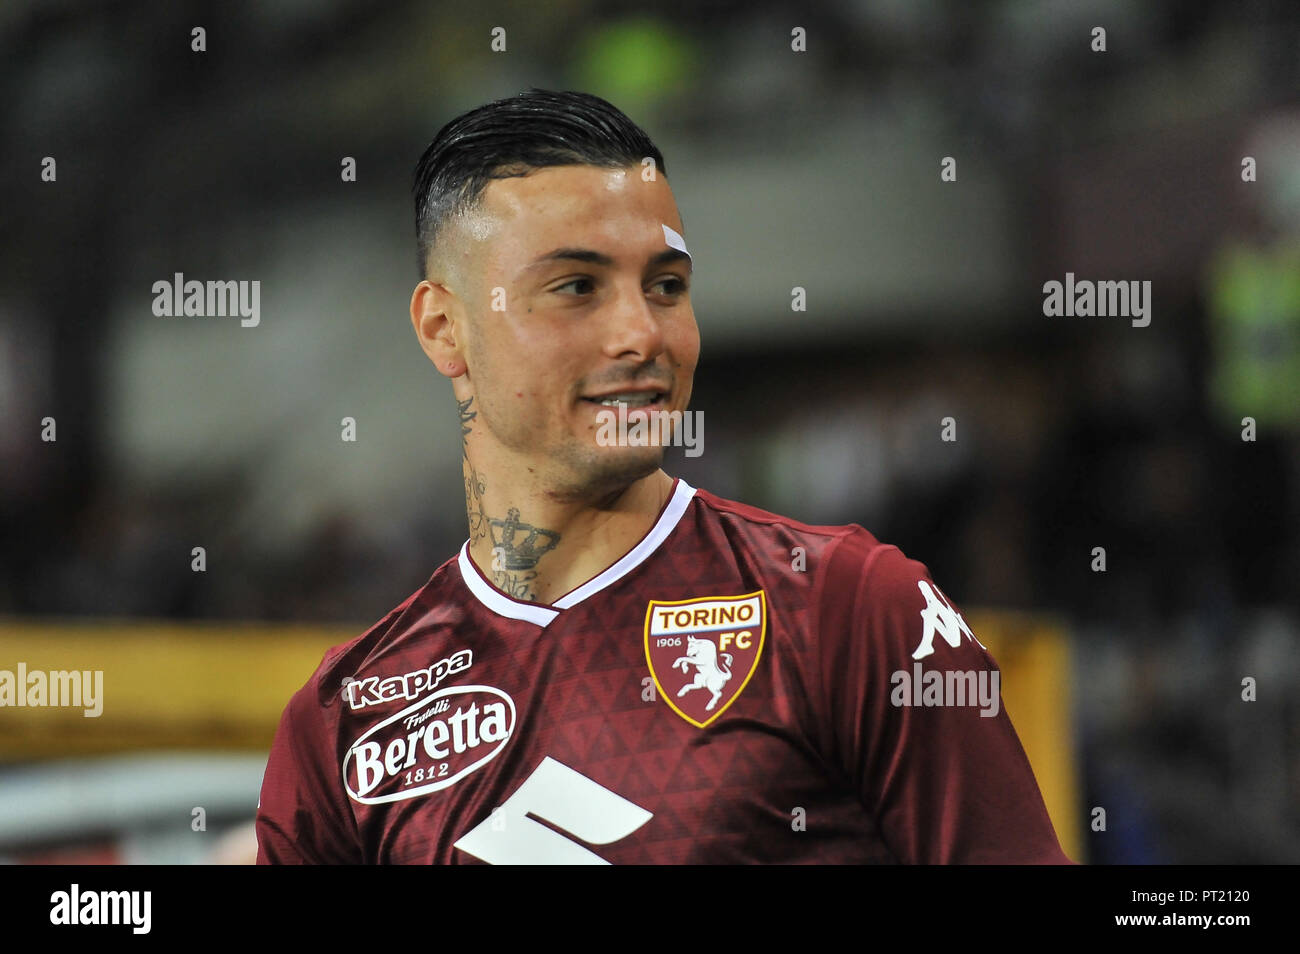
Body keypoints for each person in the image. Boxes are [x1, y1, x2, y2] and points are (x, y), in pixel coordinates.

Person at [255, 88, 1072, 864]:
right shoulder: (345, 722)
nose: (643, 333)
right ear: (444, 329)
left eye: (667, 287)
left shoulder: (850, 610)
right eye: (577, 287)